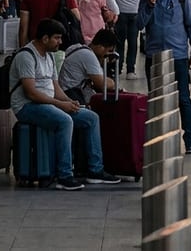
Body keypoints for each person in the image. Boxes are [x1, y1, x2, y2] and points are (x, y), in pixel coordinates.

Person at [9, 19, 121, 190]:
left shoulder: (49, 57)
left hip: (49, 103)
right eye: (57, 38)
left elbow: (55, 88)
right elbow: (30, 92)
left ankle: (95, 170)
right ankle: (64, 174)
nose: (60, 42)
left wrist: (70, 102)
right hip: (27, 106)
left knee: (91, 117)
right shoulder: (26, 56)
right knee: (65, 121)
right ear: (45, 38)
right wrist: (60, 105)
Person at [137, 0, 191, 154]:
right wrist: (149, 6)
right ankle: (160, 140)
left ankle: (189, 138)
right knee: (156, 100)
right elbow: (139, 24)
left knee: (183, 99)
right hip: (154, 57)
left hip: (178, 57)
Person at [107, 0, 148, 79]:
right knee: (132, 42)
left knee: (119, 42)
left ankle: (118, 69)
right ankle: (131, 70)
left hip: (120, 12)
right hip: (134, 12)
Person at [58, 28, 118, 105]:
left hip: (67, 90)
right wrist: (113, 83)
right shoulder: (88, 55)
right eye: (109, 51)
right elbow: (102, 84)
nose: (108, 55)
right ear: (101, 47)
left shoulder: (78, 47)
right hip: (71, 93)